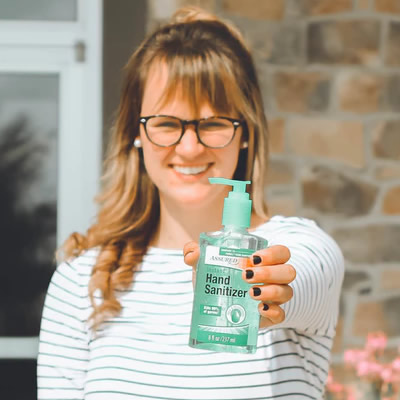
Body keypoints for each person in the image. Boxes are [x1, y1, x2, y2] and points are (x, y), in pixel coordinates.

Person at [37, 6, 344, 400]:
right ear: (136, 132)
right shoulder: (81, 282)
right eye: (167, 123)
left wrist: (259, 284)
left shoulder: (301, 245)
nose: (189, 146)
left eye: (213, 124)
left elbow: (300, 276)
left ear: (245, 133)